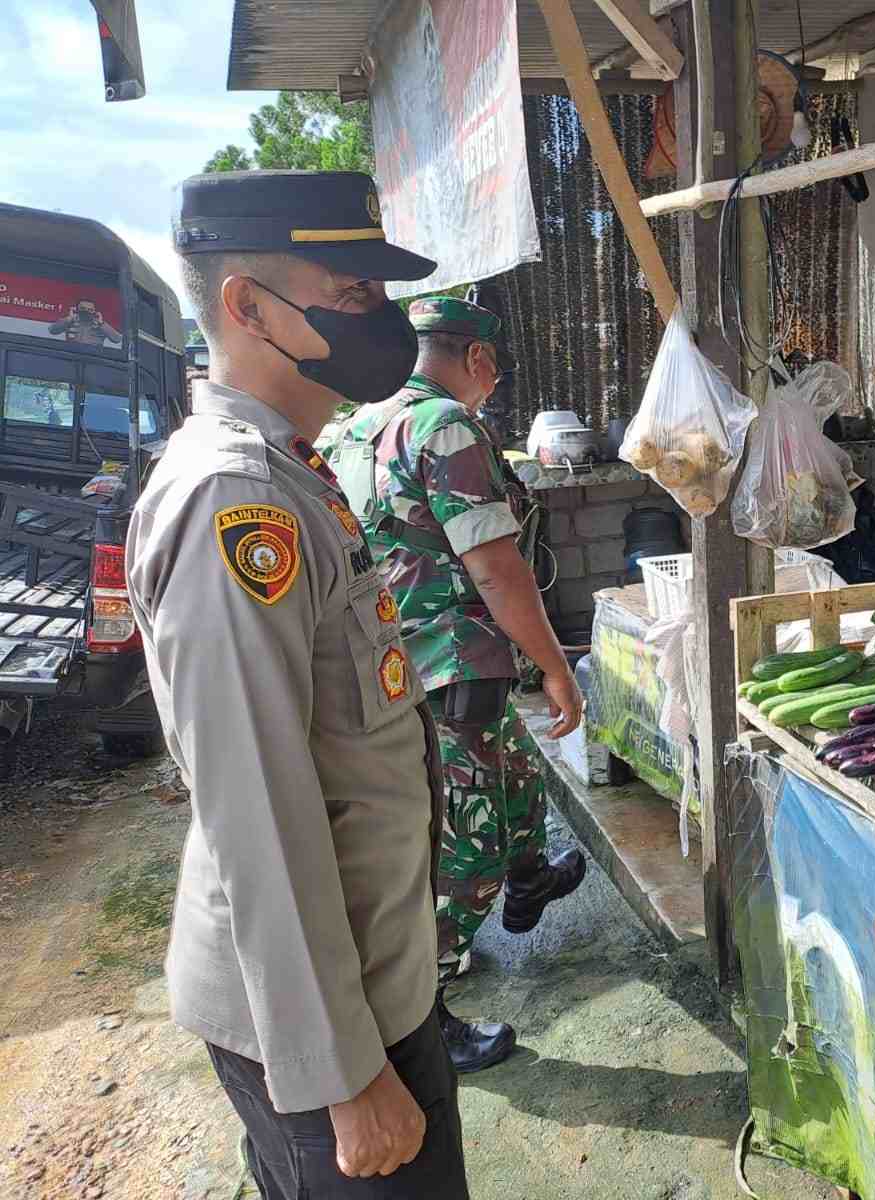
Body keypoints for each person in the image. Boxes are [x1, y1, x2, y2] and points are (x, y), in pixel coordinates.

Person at [129, 171, 468, 1195]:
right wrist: (342, 1072)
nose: (384, 319)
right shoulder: (237, 501)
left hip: (372, 990)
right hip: (329, 1034)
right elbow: (258, 808)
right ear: (248, 308)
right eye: (353, 292)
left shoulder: (294, 473)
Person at [325, 295, 585, 1075]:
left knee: (516, 779)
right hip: (449, 666)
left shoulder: (350, 428)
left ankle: (531, 878)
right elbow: (497, 569)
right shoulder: (443, 426)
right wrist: (557, 667)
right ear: (475, 359)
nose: (492, 383)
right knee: (464, 845)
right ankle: (422, 1015)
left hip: (392, 664)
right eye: (493, 369)